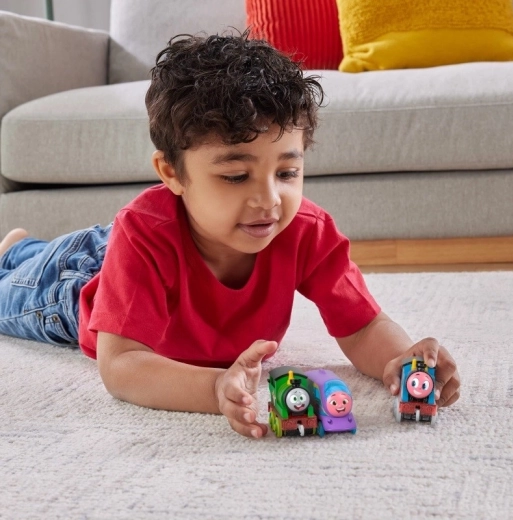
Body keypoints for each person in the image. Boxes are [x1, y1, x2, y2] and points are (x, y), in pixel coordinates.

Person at [0, 31, 460, 438]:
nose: (269, 200)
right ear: (171, 173)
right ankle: (14, 250)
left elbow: (363, 326)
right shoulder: (143, 232)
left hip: (136, 249)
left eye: (287, 172)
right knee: (14, 288)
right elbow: (120, 365)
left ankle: (23, 246)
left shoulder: (306, 232)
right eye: (237, 177)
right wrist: (214, 386)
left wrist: (399, 359)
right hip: (75, 284)